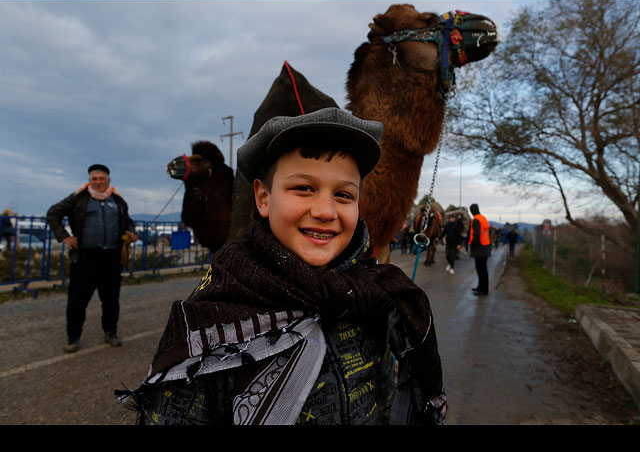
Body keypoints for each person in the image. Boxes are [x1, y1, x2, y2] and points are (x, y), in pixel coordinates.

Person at [117, 108, 446, 425]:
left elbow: (385, 397)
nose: (326, 211)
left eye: (344, 195)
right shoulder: (210, 321)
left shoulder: (377, 299)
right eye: (303, 188)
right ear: (262, 197)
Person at [47, 164, 138, 353]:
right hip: (85, 259)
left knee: (111, 300)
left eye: (101, 179)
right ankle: (73, 338)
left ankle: (110, 332)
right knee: (77, 302)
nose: (98, 182)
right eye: (94, 179)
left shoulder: (118, 200)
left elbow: (127, 220)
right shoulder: (78, 198)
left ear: (108, 180)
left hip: (111, 259)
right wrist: (64, 237)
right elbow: (53, 213)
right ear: (89, 180)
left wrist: (131, 232)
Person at [468, 203, 491, 296]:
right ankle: (481, 287)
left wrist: (472, 244)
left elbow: (477, 235)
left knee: (481, 270)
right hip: (485, 247)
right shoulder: (483, 218)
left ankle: (483, 290)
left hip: (479, 248)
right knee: (483, 270)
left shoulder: (476, 219)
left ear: (472, 211)